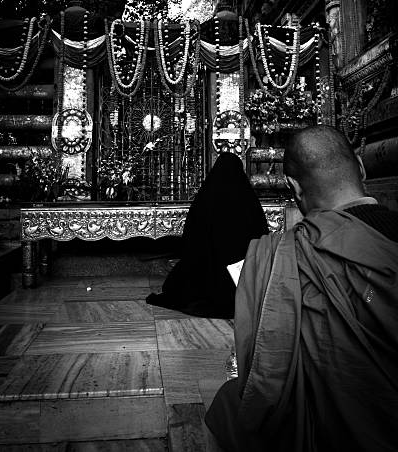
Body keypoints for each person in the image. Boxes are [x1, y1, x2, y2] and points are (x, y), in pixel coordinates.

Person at [205, 125, 398, 451]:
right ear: (362, 168)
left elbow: (264, 377)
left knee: (228, 409)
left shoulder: (286, 254)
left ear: (294, 187)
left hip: (333, 428)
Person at [146, 151, 269, 318]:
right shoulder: (251, 205)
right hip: (243, 282)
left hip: (206, 282)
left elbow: (191, 243)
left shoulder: (203, 203)